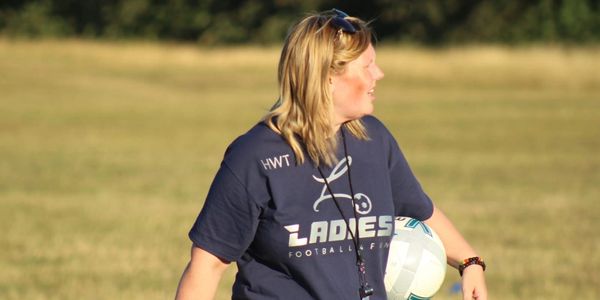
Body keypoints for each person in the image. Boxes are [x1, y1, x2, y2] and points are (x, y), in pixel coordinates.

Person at [175, 9, 487, 300]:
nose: (379, 74)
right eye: (367, 66)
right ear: (327, 77)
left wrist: (470, 262)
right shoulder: (254, 156)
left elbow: (421, 209)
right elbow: (207, 266)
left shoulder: (375, 140)